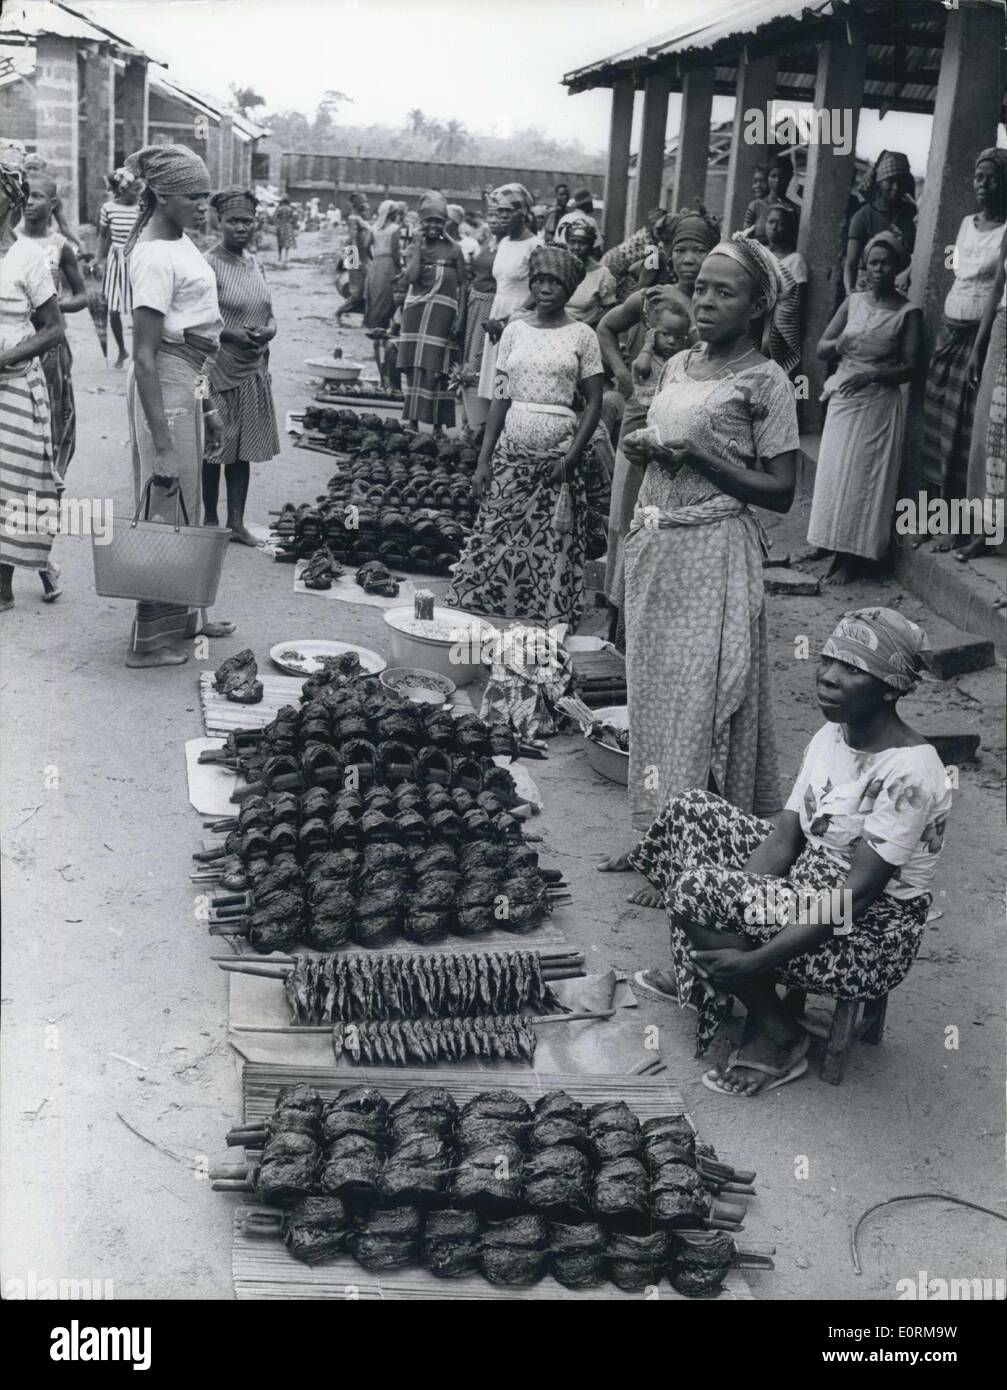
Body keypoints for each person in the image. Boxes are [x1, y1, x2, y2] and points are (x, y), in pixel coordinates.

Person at [629, 608, 948, 1094]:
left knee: (697, 892)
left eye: (852, 669)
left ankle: (777, 1031)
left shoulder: (911, 774)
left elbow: (856, 897)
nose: (828, 677)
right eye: (827, 660)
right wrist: (739, 906)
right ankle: (711, 978)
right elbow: (785, 838)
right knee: (690, 810)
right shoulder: (831, 736)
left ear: (890, 687)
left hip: (865, 932)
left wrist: (755, 957)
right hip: (807, 883)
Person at [598, 234, 800, 890]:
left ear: (757, 305)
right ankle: (655, 834)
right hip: (660, 546)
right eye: (703, 288)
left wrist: (700, 458)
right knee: (652, 697)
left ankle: (697, 859)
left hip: (713, 555)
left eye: (724, 292)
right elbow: (662, 437)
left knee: (700, 704)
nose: (706, 301)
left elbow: (780, 489)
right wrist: (644, 455)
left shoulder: (765, 382)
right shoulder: (679, 362)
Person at [447, 245, 605, 629]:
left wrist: (570, 458)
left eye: (554, 282)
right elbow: (501, 395)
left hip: (558, 454)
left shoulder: (583, 335)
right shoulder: (514, 331)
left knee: (552, 540)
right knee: (493, 530)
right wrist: (485, 459)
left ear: (567, 289)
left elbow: (595, 402)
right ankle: (489, 606)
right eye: (539, 281)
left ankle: (542, 613)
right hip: (511, 452)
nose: (545, 288)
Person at [121, 144, 230, 669]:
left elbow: (198, 337)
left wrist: (206, 405)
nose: (203, 204)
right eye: (193, 195)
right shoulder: (154, 256)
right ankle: (150, 641)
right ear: (163, 194)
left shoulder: (181, 241)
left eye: (207, 195)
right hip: (163, 382)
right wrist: (161, 442)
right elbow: (145, 356)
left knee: (185, 499)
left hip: (189, 378)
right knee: (164, 503)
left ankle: (188, 617)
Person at [806, 231, 922, 584]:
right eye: (873, 262)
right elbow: (821, 350)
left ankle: (852, 557)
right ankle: (828, 542)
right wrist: (842, 341)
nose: (879, 269)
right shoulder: (853, 302)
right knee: (833, 473)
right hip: (843, 396)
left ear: (898, 267)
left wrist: (873, 376)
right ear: (865, 267)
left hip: (877, 403)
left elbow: (912, 366)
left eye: (886, 263)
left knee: (862, 479)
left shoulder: (908, 312)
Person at [920, 148, 1007, 552]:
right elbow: (960, 278)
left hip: (977, 338)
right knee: (937, 427)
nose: (982, 184)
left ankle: (957, 526)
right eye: (978, 177)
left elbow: (994, 290)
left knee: (963, 433)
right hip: (948, 331)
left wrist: (979, 345)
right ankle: (931, 518)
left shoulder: (1006, 231)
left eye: (991, 177)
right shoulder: (964, 225)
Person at [0, 152, 66, 611]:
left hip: (15, 388)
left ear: (8, 201)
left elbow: (53, 328)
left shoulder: (28, 256)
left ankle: (2, 584)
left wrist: (6, 356)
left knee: (9, 486)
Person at [202, 189, 280, 547]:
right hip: (219, 365)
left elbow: (269, 310)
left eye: (247, 220)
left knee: (241, 450)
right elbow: (197, 321)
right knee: (215, 447)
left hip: (252, 368)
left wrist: (271, 330)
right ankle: (210, 520)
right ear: (219, 222)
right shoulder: (207, 263)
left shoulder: (253, 262)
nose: (240, 227)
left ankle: (236, 522)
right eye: (233, 220)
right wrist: (230, 334)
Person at [18, 174, 87, 481]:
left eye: (37, 196)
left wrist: (55, 306)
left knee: (51, 411)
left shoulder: (60, 246)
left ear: (53, 204)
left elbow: (82, 295)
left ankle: (47, 476)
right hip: (13, 339)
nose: (29, 202)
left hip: (49, 344)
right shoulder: (9, 240)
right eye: (26, 196)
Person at [398, 191, 466, 433]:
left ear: (445, 222)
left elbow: (463, 284)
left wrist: (460, 316)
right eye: (428, 221)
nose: (433, 226)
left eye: (438, 221)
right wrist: (416, 247)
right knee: (414, 364)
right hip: (415, 311)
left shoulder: (455, 250)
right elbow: (413, 277)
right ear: (421, 222)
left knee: (437, 366)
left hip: (443, 315)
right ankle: (413, 421)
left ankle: (438, 425)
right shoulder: (413, 247)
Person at [962, 225, 1007, 568]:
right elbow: (996, 288)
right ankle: (985, 531)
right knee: (987, 433)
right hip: (1003, 329)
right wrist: (978, 347)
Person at [476, 183, 540, 413]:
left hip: (519, 317)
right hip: (498, 311)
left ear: (522, 213)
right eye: (498, 210)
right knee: (497, 376)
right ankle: (492, 427)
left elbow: (538, 289)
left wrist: (511, 318)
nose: (501, 216)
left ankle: (508, 428)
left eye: (508, 211)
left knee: (512, 376)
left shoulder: (534, 245)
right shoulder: (503, 242)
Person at [844, 150, 916, 296]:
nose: (896, 187)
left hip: (901, 286)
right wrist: (850, 293)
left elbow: (919, 252)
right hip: (869, 287)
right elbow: (851, 263)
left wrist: (908, 273)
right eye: (890, 181)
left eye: (901, 181)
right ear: (879, 181)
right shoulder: (863, 217)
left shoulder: (911, 213)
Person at [458, 206, 499, 435]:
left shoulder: (481, 242)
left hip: (489, 305)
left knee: (481, 361)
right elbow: (352, 250)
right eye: (491, 215)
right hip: (474, 301)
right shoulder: (482, 241)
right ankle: (471, 421)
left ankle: (479, 424)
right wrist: (351, 266)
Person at [96, 167, 141, 367]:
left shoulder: (142, 208)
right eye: (134, 189)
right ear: (122, 190)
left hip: (137, 259)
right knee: (113, 309)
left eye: (139, 189)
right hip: (116, 260)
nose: (138, 193)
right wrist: (98, 260)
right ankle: (122, 350)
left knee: (137, 308)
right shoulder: (108, 208)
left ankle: (139, 353)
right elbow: (102, 236)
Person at [763, 201, 807, 378]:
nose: (774, 227)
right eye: (770, 222)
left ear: (789, 228)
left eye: (780, 223)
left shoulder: (795, 261)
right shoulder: (760, 253)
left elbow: (797, 302)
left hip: (778, 325)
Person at [602, 208, 668, 303]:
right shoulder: (650, 244)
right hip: (613, 268)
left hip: (611, 263)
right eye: (659, 229)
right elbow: (641, 279)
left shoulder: (645, 234)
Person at [563, 216, 617, 327]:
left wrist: (585, 324)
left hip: (586, 329)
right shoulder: (561, 268)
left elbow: (609, 309)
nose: (576, 247)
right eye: (572, 242)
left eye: (582, 243)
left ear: (590, 246)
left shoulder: (602, 274)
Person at [336, 192, 371, 321]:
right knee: (357, 290)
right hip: (354, 255)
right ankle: (339, 312)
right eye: (363, 202)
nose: (366, 204)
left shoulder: (361, 218)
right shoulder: (353, 218)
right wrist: (355, 261)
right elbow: (352, 239)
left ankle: (365, 317)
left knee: (367, 288)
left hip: (363, 256)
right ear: (358, 204)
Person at [742, 165, 771, 242]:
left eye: (763, 181)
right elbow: (746, 235)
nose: (758, 185)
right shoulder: (755, 205)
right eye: (755, 181)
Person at [274, 195, 298, 264]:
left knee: (280, 242)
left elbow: (276, 218)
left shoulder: (279, 209)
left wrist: (277, 224)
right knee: (287, 242)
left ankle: (279, 256)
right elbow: (292, 219)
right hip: (288, 226)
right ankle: (286, 256)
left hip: (281, 226)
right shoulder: (290, 209)